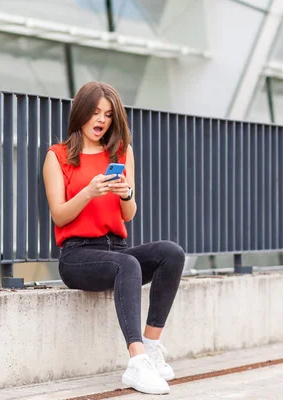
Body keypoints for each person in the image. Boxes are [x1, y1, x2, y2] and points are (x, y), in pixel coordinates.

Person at [42, 81, 185, 395]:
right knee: (128, 266)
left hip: (116, 248)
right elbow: (59, 215)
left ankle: (152, 345)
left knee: (171, 253)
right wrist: (89, 192)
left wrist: (126, 193)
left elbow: (129, 214)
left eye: (107, 114)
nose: (101, 120)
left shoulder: (121, 152)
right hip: (78, 255)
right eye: (95, 112)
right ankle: (137, 362)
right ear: (81, 112)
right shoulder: (58, 156)